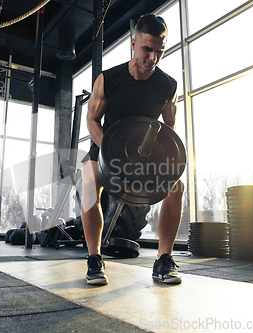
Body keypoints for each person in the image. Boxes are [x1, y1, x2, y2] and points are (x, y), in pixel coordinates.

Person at [81, 13, 184, 285]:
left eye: (159, 51)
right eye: (147, 49)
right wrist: (110, 153)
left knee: (177, 187)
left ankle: (164, 260)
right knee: (90, 180)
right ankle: (94, 258)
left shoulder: (167, 86)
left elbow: (170, 130)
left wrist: (165, 165)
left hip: (146, 151)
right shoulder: (109, 79)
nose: (153, 58)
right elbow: (91, 120)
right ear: (133, 43)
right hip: (108, 147)